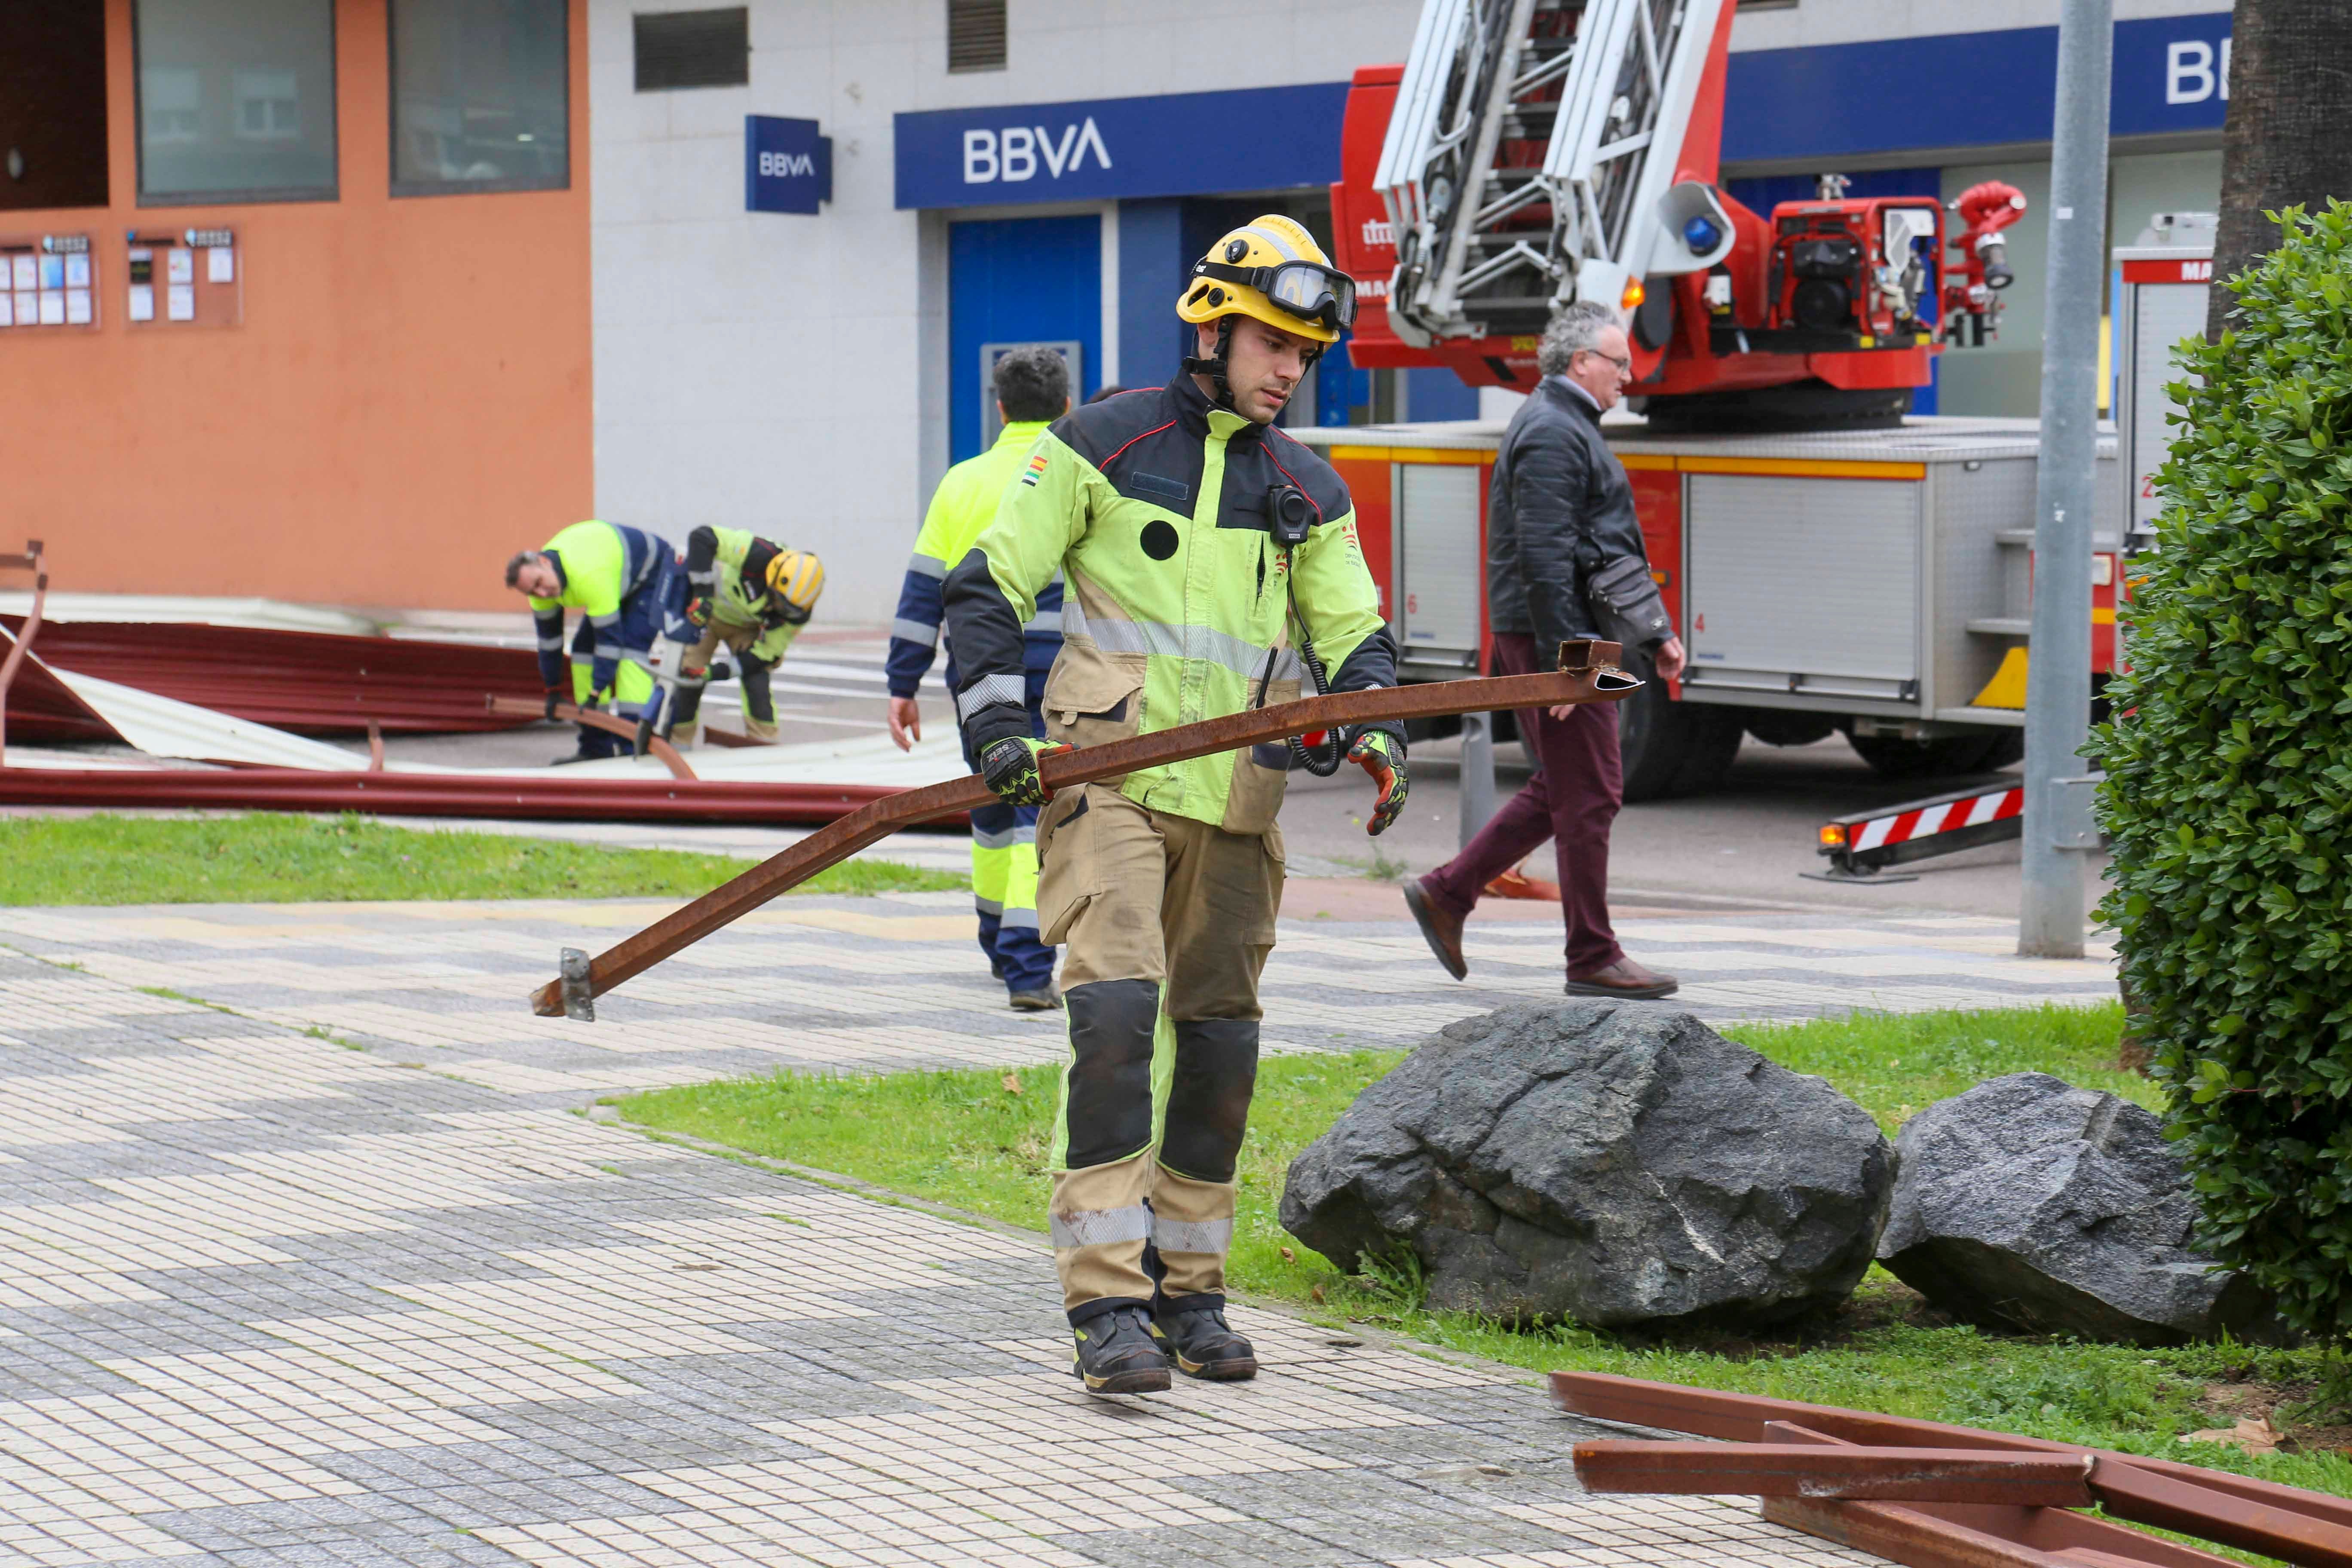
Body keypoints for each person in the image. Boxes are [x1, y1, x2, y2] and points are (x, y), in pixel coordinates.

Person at [942, 215, 1407, 1396]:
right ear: (1211, 324)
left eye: (1305, 355)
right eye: (1274, 343)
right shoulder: (1100, 444)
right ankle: (1106, 1304)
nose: (1289, 370)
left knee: (1218, 1051)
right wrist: (998, 729)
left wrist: (1376, 723)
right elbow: (987, 587)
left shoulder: (1306, 485)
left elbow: (1356, 637)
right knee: (1112, 1029)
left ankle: (1190, 1292)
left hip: (1237, 811)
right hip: (1108, 790)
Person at [1402, 302, 1686, 998]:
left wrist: (1653, 634)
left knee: (1565, 787)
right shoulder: (1553, 433)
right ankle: (1590, 954)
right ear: (1579, 362)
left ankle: (1448, 891)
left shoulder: (1565, 426)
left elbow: (1596, 549)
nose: (1628, 374)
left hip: (1563, 634)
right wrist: (1573, 665)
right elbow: (1544, 556)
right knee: (1591, 791)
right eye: (1618, 362)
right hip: (1554, 638)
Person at [886, 346, 1072, 1012]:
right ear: (1067, 406)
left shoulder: (961, 483)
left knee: (995, 803)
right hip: (1057, 672)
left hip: (974, 673)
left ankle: (999, 941)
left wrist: (901, 685)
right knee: (1036, 809)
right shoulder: (1074, 473)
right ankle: (1028, 966)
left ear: (1000, 407)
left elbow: (922, 594)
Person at [506, 521, 690, 763]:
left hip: (652, 574)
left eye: (540, 583)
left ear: (545, 562)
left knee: (631, 653)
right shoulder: (541, 593)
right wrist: (552, 690)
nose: (541, 594)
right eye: (532, 592)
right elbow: (549, 644)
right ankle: (595, 748)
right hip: (615, 578)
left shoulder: (588, 575)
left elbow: (609, 642)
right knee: (583, 651)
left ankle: (633, 748)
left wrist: (597, 690)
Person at [667, 527, 825, 746]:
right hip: (707, 615)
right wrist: (702, 594)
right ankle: (679, 743)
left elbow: (766, 653)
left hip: (744, 627)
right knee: (689, 676)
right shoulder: (756, 553)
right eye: (781, 602)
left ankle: (764, 743)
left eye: (791, 609)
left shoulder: (797, 613)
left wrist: (719, 672)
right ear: (773, 579)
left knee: (757, 679)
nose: (782, 611)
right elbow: (702, 538)